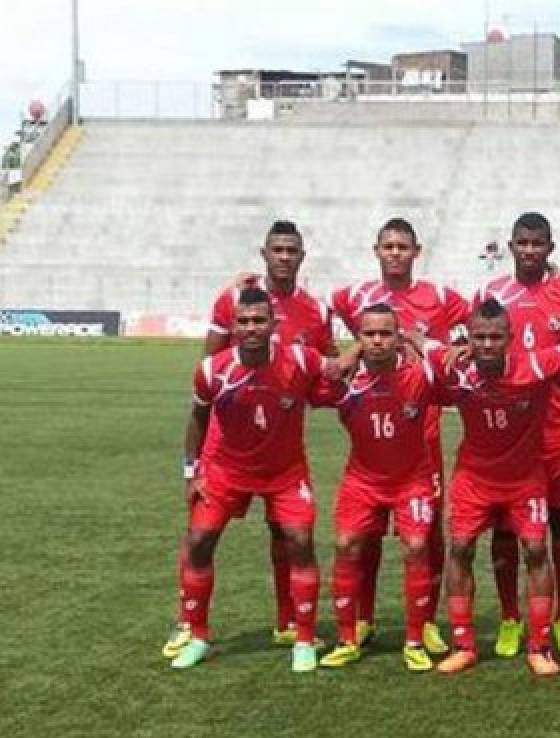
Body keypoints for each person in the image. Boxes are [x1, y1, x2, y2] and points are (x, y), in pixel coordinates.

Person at [162, 287, 330, 672]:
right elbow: (198, 420)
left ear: (273, 324)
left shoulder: (300, 359)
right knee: (200, 541)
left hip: (285, 473)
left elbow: (336, 368)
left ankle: (303, 638)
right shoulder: (212, 370)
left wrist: (394, 347)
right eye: (244, 322)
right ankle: (198, 634)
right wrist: (192, 472)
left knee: (300, 542)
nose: (252, 328)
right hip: (226, 471)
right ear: (233, 326)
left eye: (259, 321)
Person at [328, 217, 469, 656]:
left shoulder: (438, 297)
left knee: (426, 537)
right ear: (376, 250)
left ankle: (424, 624)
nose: (394, 253)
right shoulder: (355, 298)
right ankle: (363, 618)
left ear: (416, 251)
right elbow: (324, 329)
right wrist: (351, 350)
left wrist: (436, 345)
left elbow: (469, 327)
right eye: (387, 246)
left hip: (420, 433)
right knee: (363, 535)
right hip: (374, 428)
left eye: (402, 246)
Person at [197, 220, 334, 651]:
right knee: (202, 533)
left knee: (286, 533)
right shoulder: (234, 297)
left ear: (302, 256)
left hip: (280, 436)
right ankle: (189, 627)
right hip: (227, 439)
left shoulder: (314, 311)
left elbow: (324, 368)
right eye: (277, 250)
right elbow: (211, 364)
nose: (284, 258)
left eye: (292, 251)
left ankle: (288, 620)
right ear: (265, 253)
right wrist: (194, 463)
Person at [429, 299, 560, 676]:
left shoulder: (536, 366)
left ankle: (540, 646)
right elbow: (415, 339)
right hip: (474, 478)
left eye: (496, 337)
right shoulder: (455, 369)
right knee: (459, 549)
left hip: (525, 479)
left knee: (536, 550)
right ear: (468, 338)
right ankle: (464, 644)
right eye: (480, 337)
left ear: (510, 338)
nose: (488, 344)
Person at [475, 212, 560, 659]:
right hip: (510, 429)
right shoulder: (492, 294)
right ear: (510, 246)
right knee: (505, 525)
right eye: (522, 243)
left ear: (550, 247)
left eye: (537, 243)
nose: (529, 251)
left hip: (556, 423)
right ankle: (509, 618)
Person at [311, 304, 443, 672]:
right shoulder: (347, 382)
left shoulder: (419, 377)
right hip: (363, 481)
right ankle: (347, 638)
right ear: (359, 338)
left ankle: (414, 640)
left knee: (418, 547)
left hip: (411, 481)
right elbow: (318, 377)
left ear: (398, 337)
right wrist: (347, 356)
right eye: (369, 334)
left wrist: (423, 341)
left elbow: (449, 367)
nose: (378, 341)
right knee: (345, 545)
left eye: (386, 333)